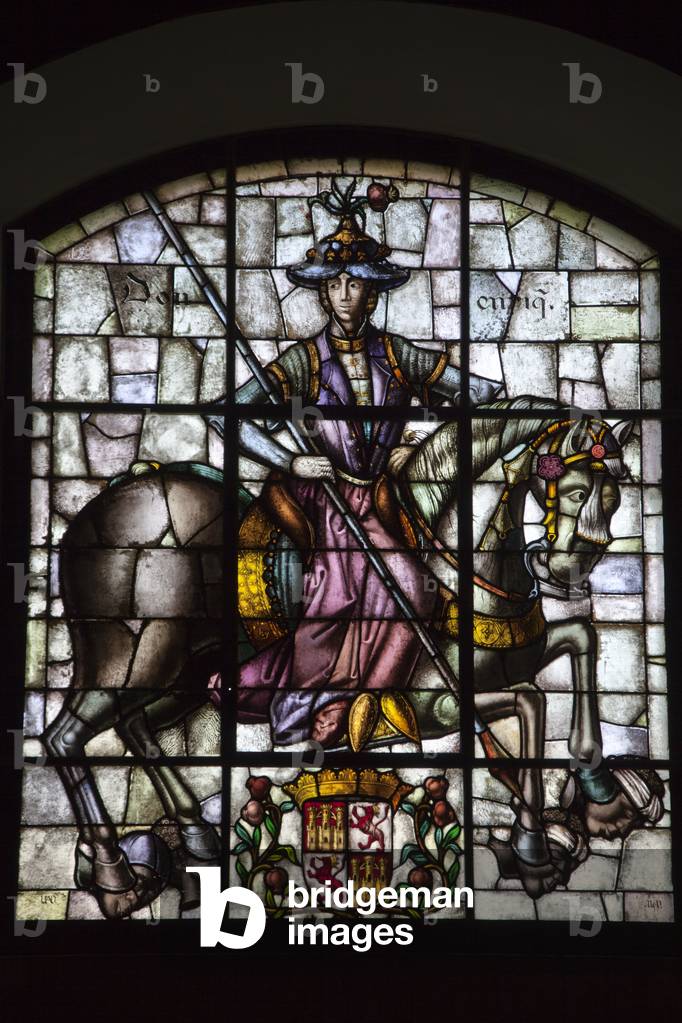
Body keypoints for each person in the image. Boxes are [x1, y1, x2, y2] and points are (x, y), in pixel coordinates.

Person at [235, 179, 502, 749]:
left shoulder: (397, 354)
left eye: (356, 284)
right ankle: (309, 700)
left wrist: (422, 434)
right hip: (323, 496)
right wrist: (291, 460)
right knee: (340, 598)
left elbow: (481, 395)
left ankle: (371, 702)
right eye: (335, 284)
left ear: (374, 294)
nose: (345, 294)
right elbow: (225, 419)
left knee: (414, 588)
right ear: (322, 293)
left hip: (379, 491)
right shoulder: (303, 362)